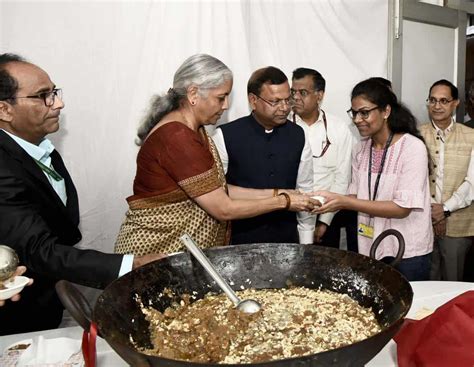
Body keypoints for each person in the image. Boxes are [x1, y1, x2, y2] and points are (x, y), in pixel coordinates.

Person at [0, 53, 161, 335]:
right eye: (43, 96)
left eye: (54, 92)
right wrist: (130, 263)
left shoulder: (40, 149)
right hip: (18, 317)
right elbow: (38, 250)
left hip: (49, 296)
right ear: (4, 110)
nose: (58, 103)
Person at [114, 55, 317, 256]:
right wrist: (283, 201)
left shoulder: (193, 129)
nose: (226, 105)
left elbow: (218, 190)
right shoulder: (177, 137)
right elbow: (223, 208)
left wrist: (278, 193)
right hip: (155, 252)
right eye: (221, 97)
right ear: (193, 93)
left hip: (176, 253)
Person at [314, 78, 433, 281]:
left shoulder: (412, 147)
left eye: (365, 112)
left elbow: (402, 209)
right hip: (371, 246)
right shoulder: (361, 148)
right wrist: (324, 200)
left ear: (386, 112)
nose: (357, 119)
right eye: (354, 113)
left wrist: (345, 201)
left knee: (411, 309)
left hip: (407, 251)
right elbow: (354, 193)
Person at [212, 66, 315, 246]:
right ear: (253, 100)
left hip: (287, 243)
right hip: (239, 243)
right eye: (275, 101)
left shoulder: (298, 135)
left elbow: (304, 190)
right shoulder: (225, 136)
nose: (284, 108)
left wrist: (306, 244)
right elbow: (216, 192)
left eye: (287, 100)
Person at [289, 67, 357, 250]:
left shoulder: (339, 128)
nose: (295, 97)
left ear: (319, 95)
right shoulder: (283, 126)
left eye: (303, 92)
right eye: (292, 92)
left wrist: (324, 222)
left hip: (327, 216)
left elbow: (342, 177)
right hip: (289, 216)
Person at [419, 79, 474, 281]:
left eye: (443, 100)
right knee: (426, 279)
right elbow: (413, 179)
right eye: (432, 100)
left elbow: (472, 183)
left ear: (455, 103)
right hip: (422, 221)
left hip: (459, 223)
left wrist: (445, 209)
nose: (437, 106)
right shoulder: (416, 134)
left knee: (453, 282)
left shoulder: (471, 136)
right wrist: (433, 209)